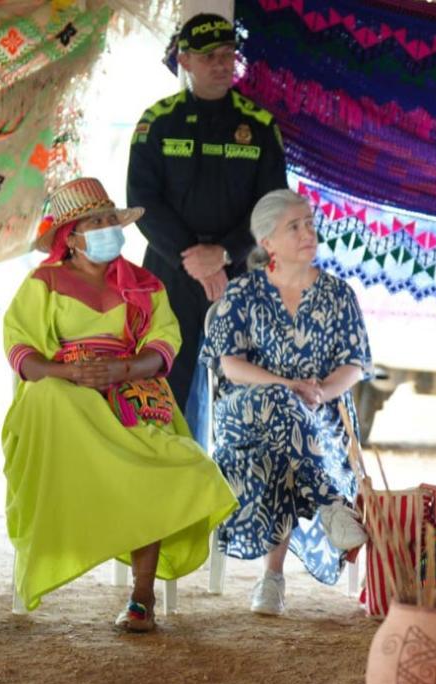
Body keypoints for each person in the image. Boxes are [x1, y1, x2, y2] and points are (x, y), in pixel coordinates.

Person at [1, 177, 238, 632]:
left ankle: (141, 594)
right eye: (97, 221)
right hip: (62, 397)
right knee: (49, 397)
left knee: (161, 461)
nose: (109, 227)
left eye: (112, 219)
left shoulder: (145, 283)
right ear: (70, 237)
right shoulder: (42, 283)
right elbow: (23, 354)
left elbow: (165, 345)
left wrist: (122, 370)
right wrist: (70, 374)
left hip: (130, 389)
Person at [200, 189, 371, 615]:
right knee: (278, 402)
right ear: (267, 242)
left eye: (310, 223)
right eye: (294, 226)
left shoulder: (338, 294)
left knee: (282, 447)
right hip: (247, 413)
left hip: (319, 420)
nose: (307, 232)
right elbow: (232, 366)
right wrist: (289, 385)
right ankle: (331, 503)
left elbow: (354, 364)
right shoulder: (242, 293)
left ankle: (270, 581)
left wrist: (320, 393)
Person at [126, 12, 288, 441]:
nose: (221, 64)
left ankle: (239, 501)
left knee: (242, 397)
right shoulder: (157, 123)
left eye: (228, 55)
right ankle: (173, 500)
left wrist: (224, 254)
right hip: (171, 274)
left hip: (241, 276)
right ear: (185, 59)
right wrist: (194, 259)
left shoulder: (259, 125)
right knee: (167, 390)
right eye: (209, 56)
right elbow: (142, 201)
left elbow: (273, 206)